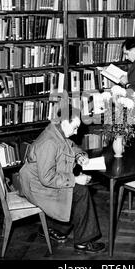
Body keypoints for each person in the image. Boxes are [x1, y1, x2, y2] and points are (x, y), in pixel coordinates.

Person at [19, 105, 105, 254]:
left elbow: (70, 146)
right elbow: (46, 178)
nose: (77, 131)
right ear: (65, 123)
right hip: (37, 186)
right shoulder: (49, 143)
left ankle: (57, 227)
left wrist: (79, 156)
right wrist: (75, 180)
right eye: (75, 127)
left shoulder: (56, 130)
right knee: (81, 192)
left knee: (76, 192)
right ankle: (83, 242)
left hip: (40, 180)